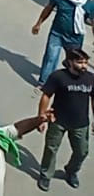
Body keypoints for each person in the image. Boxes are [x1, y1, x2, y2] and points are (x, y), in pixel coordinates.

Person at [38, 46, 93, 190]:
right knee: (51, 149)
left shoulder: (90, 78)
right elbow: (46, 95)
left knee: (82, 151)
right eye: (80, 62)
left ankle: (71, 171)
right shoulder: (58, 76)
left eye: (86, 62)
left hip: (81, 123)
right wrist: (42, 117)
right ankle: (45, 175)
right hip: (58, 121)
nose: (84, 66)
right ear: (70, 62)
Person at [33, 0, 92, 86]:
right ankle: (44, 83)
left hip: (75, 38)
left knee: (73, 62)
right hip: (56, 34)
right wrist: (38, 23)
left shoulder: (88, 4)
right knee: (50, 57)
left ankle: (70, 82)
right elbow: (48, 9)